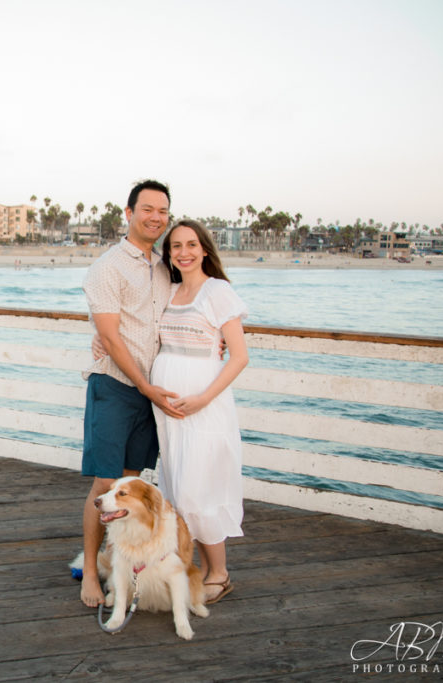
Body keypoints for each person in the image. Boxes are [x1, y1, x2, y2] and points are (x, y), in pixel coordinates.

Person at [78, 179, 182, 608]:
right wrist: (145, 387)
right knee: (106, 484)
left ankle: (117, 561)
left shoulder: (166, 265)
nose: (156, 217)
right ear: (129, 212)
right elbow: (111, 335)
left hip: (150, 392)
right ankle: (88, 569)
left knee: (132, 487)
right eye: (148, 209)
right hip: (117, 387)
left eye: (163, 211)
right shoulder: (107, 267)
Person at [150, 219, 249, 604]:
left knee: (199, 489)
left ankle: (219, 574)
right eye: (176, 246)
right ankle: (197, 569)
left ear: (205, 249)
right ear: (169, 253)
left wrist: (203, 399)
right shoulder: (169, 290)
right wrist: (99, 338)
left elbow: (238, 357)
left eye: (191, 244)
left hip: (204, 406)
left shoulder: (217, 291)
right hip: (169, 408)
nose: (184, 252)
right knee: (177, 488)